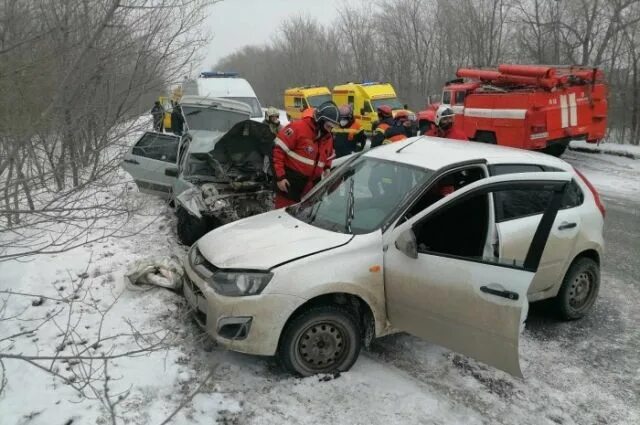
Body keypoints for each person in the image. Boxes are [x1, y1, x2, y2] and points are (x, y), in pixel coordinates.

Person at [272, 101, 340, 209]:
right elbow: (277, 151)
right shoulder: (298, 128)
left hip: (311, 188)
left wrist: (327, 167)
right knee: (283, 217)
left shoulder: (328, 137)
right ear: (320, 120)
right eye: (328, 126)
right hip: (290, 184)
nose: (330, 130)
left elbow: (328, 155)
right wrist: (280, 178)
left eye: (332, 127)